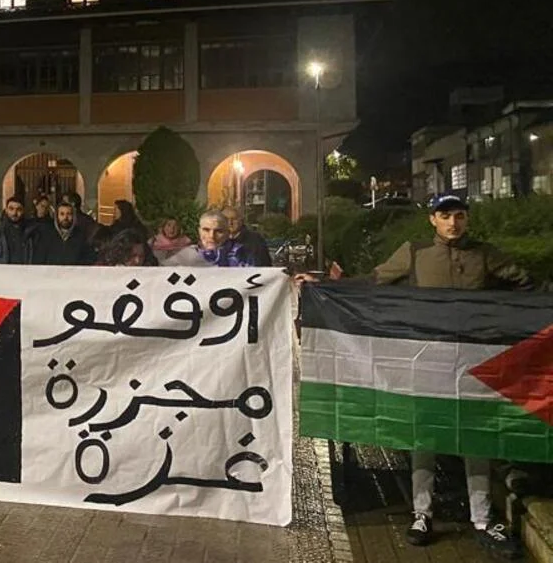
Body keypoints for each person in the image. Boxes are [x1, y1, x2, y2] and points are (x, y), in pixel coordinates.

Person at [301, 194, 530, 556]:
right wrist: (322, 288)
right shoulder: (415, 251)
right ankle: (422, 513)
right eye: (445, 216)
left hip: (472, 362)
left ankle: (482, 518)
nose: (453, 223)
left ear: (467, 219)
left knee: (476, 437)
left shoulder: (484, 254)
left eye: (459, 215)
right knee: (423, 435)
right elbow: (375, 281)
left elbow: (526, 285)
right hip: (427, 360)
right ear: (433, 219)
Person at [167, 210, 251, 267]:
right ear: (199, 231)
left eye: (218, 231)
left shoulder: (242, 254)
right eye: (206, 230)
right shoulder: (186, 255)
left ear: (227, 233)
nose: (211, 236)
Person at [30, 202, 95, 265]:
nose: (65, 217)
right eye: (62, 214)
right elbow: (38, 261)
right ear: (57, 216)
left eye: (69, 214)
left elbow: (88, 259)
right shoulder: (46, 236)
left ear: (73, 216)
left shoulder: (81, 237)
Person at [0, 196, 35, 265]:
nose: (14, 213)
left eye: (18, 209)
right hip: (3, 269)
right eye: (11, 209)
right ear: (6, 210)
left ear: (23, 211)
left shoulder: (30, 231)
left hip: (24, 269)